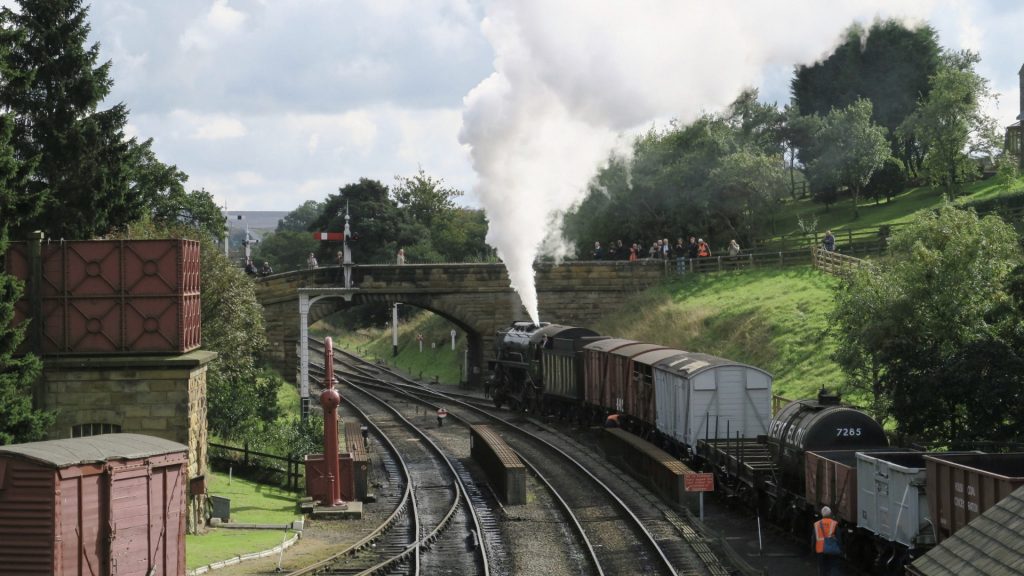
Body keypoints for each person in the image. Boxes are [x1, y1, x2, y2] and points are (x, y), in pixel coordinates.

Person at [813, 506, 841, 575]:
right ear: (830, 514)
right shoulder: (834, 524)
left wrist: (813, 550)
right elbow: (839, 539)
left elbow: (813, 539)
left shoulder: (817, 524)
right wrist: (840, 549)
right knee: (833, 567)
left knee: (822, 569)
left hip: (820, 550)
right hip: (832, 550)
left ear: (822, 514)